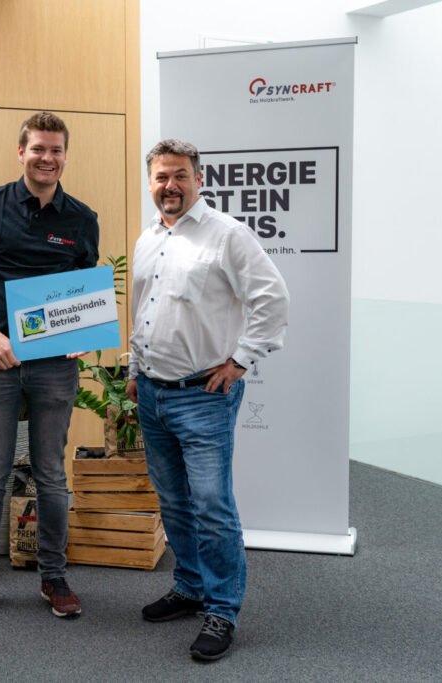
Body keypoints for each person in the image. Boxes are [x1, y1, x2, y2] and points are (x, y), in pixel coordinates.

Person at [125, 139, 289, 660]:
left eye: (180, 175)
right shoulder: (147, 239)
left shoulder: (227, 235)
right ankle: (191, 586)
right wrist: (134, 369)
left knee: (213, 507)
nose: (169, 185)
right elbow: (142, 309)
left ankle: (222, 609)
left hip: (203, 397)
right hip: (153, 394)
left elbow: (272, 299)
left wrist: (240, 360)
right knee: (174, 501)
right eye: (160, 177)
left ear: (199, 179)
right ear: (150, 183)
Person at [0, 111, 99, 623]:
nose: (47, 158)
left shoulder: (81, 218)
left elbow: (83, 294)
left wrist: (81, 336)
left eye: (56, 150)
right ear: (21, 152)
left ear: (65, 156)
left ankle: (54, 577)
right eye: (38, 148)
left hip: (54, 367)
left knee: (51, 473)